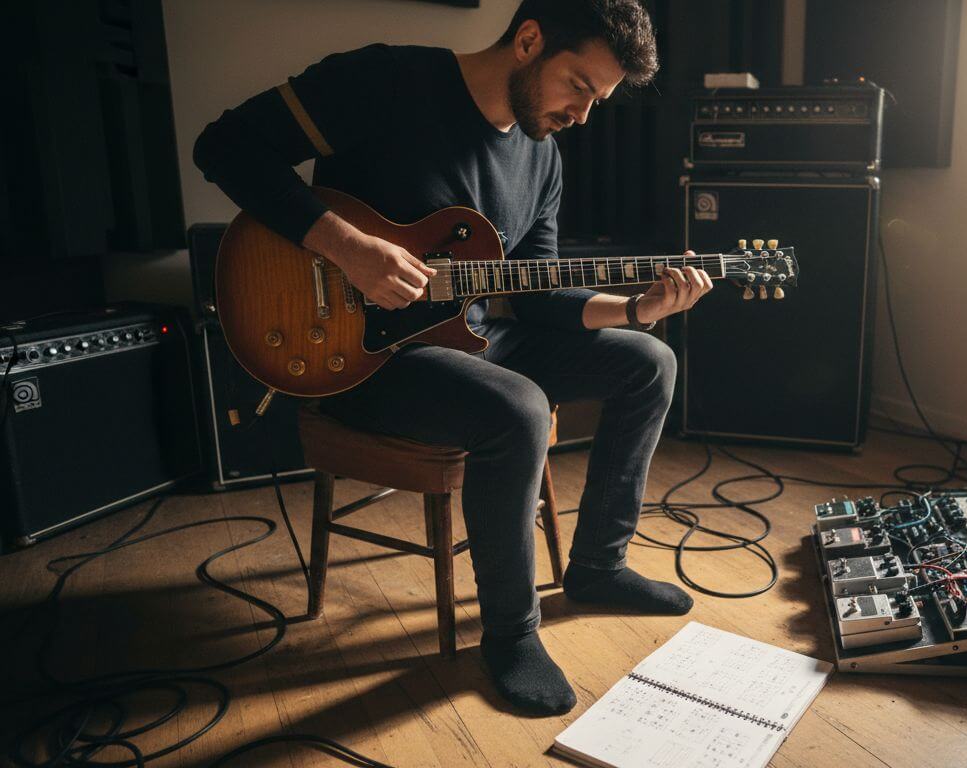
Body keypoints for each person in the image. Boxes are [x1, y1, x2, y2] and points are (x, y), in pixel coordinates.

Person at [193, 0, 713, 716]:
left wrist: (635, 310)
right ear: (528, 41)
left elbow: (534, 298)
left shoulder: (543, 156)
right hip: (360, 355)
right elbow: (224, 146)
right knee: (518, 407)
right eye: (580, 88)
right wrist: (347, 246)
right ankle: (510, 634)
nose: (583, 115)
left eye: (598, 101)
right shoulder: (385, 81)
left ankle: (597, 568)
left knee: (648, 360)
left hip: (462, 339)